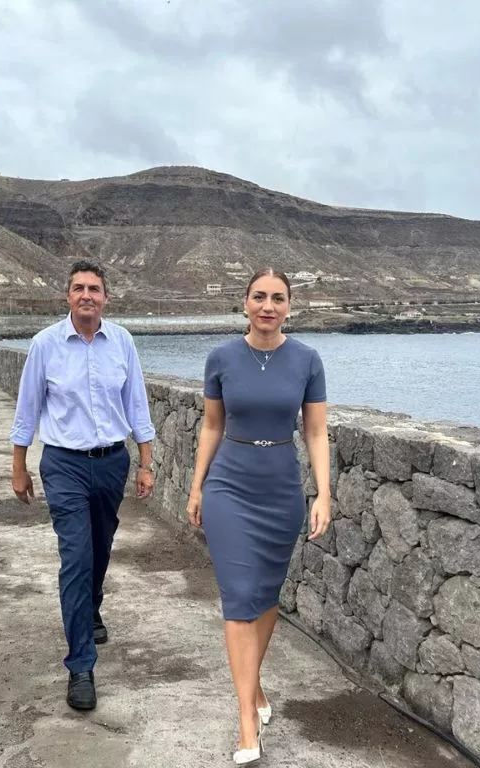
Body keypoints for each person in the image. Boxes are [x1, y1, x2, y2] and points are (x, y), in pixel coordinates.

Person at [186, 268, 331, 765]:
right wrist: (197, 485)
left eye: (278, 298)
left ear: (289, 306)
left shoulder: (308, 360)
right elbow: (210, 425)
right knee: (240, 596)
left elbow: (315, 433)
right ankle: (246, 716)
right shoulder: (221, 357)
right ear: (244, 303)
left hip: (281, 488)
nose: (268, 306)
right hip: (230, 483)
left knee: (266, 594)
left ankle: (255, 686)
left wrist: (323, 494)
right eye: (259, 297)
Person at [9, 260, 156, 711]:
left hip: (112, 462)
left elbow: (137, 404)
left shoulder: (123, 342)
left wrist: (146, 463)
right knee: (76, 557)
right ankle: (81, 667)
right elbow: (27, 408)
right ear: (67, 296)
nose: (87, 295)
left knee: (101, 546)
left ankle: (90, 607)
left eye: (94, 288)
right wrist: (19, 466)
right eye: (78, 288)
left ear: (106, 298)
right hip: (64, 465)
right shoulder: (45, 345)